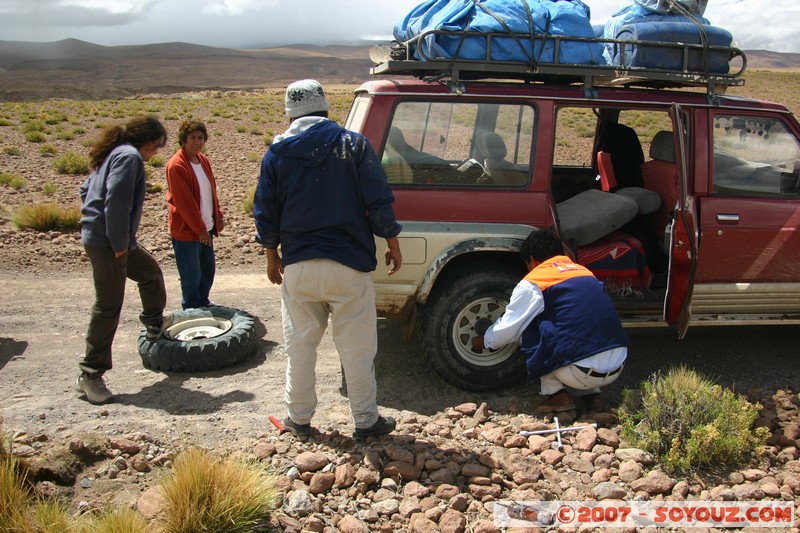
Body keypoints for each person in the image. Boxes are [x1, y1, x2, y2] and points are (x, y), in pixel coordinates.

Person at [253, 79, 403, 440]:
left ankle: (299, 420)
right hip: (349, 265)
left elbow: (266, 211)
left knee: (300, 348)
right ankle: (366, 422)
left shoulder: (276, 153)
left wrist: (272, 257)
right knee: (357, 348)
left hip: (300, 266)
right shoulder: (353, 145)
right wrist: (392, 242)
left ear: (290, 113)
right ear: (325, 108)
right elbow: (377, 199)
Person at [473, 228, 629, 413]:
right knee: (580, 322)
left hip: (579, 372)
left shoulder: (535, 281)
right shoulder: (584, 272)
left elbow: (508, 328)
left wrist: (485, 340)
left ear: (532, 259)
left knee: (529, 325)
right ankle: (593, 395)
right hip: (618, 364)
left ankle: (556, 395)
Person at [76, 116, 171, 404]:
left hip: (111, 239)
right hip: (109, 243)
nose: (155, 153)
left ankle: (154, 324)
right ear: (148, 142)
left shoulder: (114, 153)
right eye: (156, 147)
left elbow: (85, 189)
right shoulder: (129, 156)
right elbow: (116, 200)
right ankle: (90, 375)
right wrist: (118, 242)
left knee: (150, 273)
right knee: (108, 305)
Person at [165, 120, 224, 309]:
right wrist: (200, 230)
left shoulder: (203, 160)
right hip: (188, 232)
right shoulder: (176, 166)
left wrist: (218, 216)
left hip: (205, 226)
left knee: (207, 270)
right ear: (183, 139)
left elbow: (211, 191)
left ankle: (202, 302)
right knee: (191, 275)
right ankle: (191, 310)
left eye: (200, 138)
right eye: (192, 138)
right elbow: (185, 204)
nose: (197, 142)